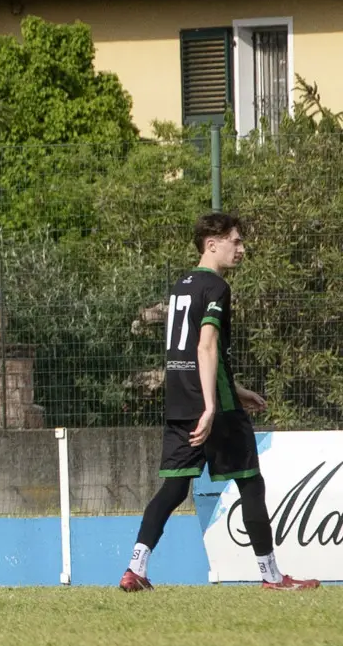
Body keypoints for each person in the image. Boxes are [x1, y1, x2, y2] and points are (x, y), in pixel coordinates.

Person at [120, 212, 319, 592]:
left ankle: (135, 568)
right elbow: (205, 345)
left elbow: (193, 353)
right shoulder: (216, 288)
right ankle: (272, 577)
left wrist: (235, 386)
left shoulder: (182, 285)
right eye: (236, 241)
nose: (242, 249)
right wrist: (214, 406)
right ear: (212, 244)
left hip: (180, 403)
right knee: (251, 485)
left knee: (174, 489)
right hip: (216, 409)